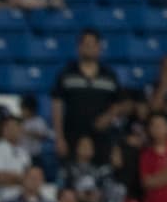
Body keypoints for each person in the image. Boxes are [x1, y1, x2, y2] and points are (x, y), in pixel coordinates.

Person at [52, 29, 121, 160]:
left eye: (93, 44)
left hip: (101, 137)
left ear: (99, 47)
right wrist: (59, 137)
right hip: (72, 135)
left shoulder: (109, 75)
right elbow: (57, 106)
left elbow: (117, 103)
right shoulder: (66, 74)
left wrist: (108, 117)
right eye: (86, 44)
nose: (89, 48)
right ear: (79, 47)